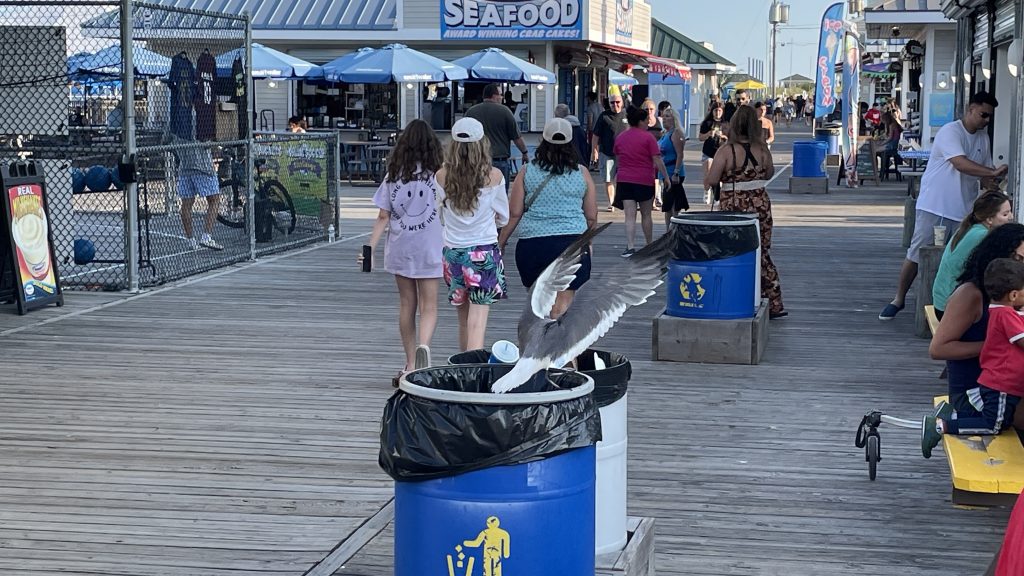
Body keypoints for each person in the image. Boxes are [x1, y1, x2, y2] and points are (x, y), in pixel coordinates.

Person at [879, 91, 1008, 320]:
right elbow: (960, 163)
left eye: (990, 117)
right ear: (970, 109)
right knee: (918, 253)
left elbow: (984, 176)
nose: (986, 120)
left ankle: (948, 309)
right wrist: (991, 172)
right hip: (935, 205)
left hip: (965, 211)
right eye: (983, 114)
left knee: (958, 261)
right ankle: (898, 299)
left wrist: (997, 184)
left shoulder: (983, 138)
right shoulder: (951, 131)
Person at [359, 119, 444, 386]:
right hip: (431, 245)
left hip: (401, 246)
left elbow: (383, 216)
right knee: (429, 306)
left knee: (407, 305)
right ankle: (424, 349)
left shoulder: (394, 175)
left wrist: (370, 247)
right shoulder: (439, 175)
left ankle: (409, 363)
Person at [922, 257, 1024, 458]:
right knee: (993, 425)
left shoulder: (1001, 310)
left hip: (1000, 382)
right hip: (1003, 383)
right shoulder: (1005, 315)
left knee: (997, 418)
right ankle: (941, 425)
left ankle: (951, 415)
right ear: (1013, 295)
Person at [498, 117, 598, 319]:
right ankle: (559, 347)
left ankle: (540, 344)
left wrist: (500, 242)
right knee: (563, 308)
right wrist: (588, 243)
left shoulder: (527, 172)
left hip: (533, 245)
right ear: (571, 143)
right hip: (572, 244)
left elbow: (515, 212)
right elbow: (591, 216)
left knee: (538, 306)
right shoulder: (582, 173)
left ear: (543, 141)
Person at [930, 223, 1024, 419]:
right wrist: (995, 345)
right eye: (1019, 258)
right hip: (979, 395)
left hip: (1007, 390)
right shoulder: (970, 294)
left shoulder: (1015, 294)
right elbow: (938, 349)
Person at [703, 105, 786, 318]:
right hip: (760, 203)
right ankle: (773, 301)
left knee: (731, 252)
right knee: (762, 251)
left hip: (734, 205)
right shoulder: (762, 149)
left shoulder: (726, 150)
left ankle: (732, 297)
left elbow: (711, 180)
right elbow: (769, 173)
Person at [435, 117, 509, 351]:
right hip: (483, 252)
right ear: (482, 144)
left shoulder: (441, 176)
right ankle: (474, 373)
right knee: (478, 321)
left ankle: (462, 367)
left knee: (463, 321)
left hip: (454, 252)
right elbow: (504, 216)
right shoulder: (494, 176)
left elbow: (439, 214)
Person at [932, 191, 1013, 317]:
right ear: (990, 219)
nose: (1011, 217)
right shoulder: (983, 236)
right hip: (950, 308)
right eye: (1005, 214)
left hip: (941, 301)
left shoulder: (969, 228)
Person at [613, 106, 671, 257]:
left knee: (630, 216)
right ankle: (649, 244)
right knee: (646, 215)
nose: (648, 123)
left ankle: (630, 246)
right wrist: (665, 177)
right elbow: (657, 159)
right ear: (640, 121)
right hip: (644, 179)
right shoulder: (648, 138)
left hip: (625, 179)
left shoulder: (621, 137)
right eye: (646, 120)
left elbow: (618, 159)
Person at [465, 83, 529, 191]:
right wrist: (525, 153)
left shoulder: (471, 112)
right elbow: (516, 137)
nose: (502, 97)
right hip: (499, 161)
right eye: (500, 94)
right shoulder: (505, 111)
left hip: (476, 161)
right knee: (500, 196)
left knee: (477, 194)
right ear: (494, 96)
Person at [166, 134, 222, 251]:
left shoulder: (176, 123)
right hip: (203, 166)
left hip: (185, 166)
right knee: (214, 199)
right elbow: (207, 142)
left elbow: (167, 139)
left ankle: (190, 240)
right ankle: (206, 236)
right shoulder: (200, 120)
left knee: (186, 203)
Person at [591, 87, 628, 211]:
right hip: (607, 152)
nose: (615, 105)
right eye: (612, 102)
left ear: (622, 102)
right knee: (608, 178)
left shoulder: (627, 115)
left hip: (624, 154)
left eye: (617, 102)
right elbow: (595, 135)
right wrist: (594, 151)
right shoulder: (604, 116)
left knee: (623, 179)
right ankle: (611, 202)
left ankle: (621, 199)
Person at [658, 106, 688, 227]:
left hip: (674, 172)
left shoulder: (676, 133)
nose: (664, 119)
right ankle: (668, 230)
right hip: (665, 172)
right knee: (667, 206)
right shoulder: (665, 134)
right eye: (663, 116)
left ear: (674, 119)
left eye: (667, 116)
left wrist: (676, 172)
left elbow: (680, 154)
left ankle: (674, 230)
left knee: (674, 206)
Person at [698, 102, 727, 207]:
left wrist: (723, 136)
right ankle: (707, 190)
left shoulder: (726, 124)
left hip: (720, 153)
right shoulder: (707, 123)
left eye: (719, 110)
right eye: (715, 110)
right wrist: (709, 134)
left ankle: (717, 196)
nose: (717, 113)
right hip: (708, 152)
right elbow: (700, 137)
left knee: (718, 176)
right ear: (712, 111)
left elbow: (730, 138)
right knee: (708, 173)